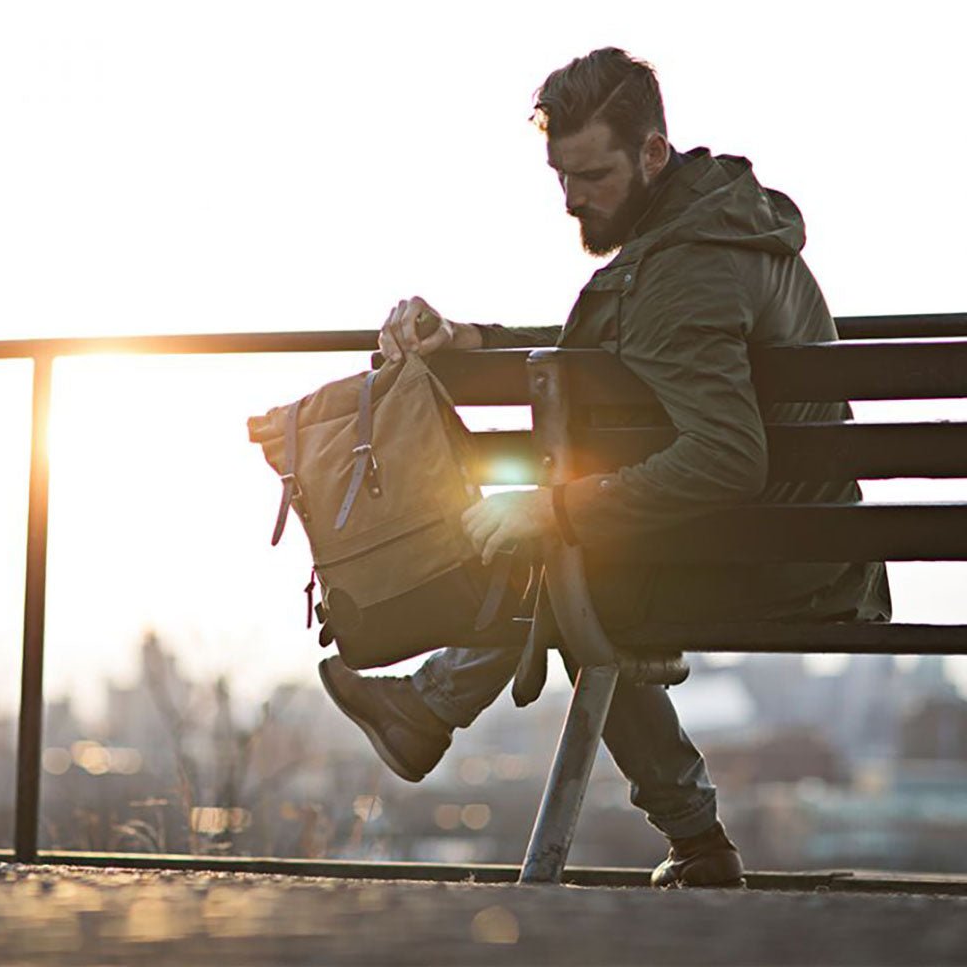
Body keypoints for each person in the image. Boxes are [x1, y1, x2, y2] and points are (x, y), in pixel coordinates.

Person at [318, 47, 891, 887]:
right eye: (560, 176)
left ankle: (440, 712)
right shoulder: (706, 229)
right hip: (794, 541)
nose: (572, 199)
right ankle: (440, 716)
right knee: (573, 566)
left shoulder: (687, 269)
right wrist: (467, 344)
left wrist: (556, 509)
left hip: (774, 562)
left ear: (652, 153)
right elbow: (612, 367)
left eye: (591, 174)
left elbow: (727, 455)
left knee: (575, 576)